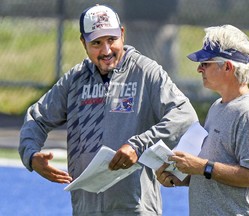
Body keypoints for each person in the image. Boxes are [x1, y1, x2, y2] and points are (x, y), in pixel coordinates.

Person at [18, 4, 198, 216]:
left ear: (122, 34)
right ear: (83, 42)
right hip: (85, 209)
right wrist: (31, 156)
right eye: (96, 43)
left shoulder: (146, 72)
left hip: (135, 209)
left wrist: (138, 146)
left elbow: (184, 115)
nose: (106, 51)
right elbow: (36, 119)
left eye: (111, 40)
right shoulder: (74, 80)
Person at [156, 24, 249, 216]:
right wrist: (179, 178)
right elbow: (213, 174)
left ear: (227, 66)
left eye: (206, 63)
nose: (199, 69)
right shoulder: (217, 106)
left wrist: (202, 167)